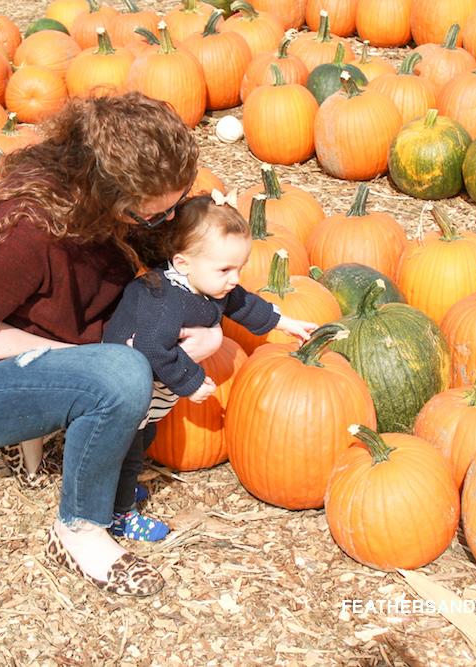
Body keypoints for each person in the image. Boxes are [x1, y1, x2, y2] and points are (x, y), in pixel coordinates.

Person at [0, 93, 210, 597]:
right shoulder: (23, 230)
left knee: (127, 361)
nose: (166, 223)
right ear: (101, 193)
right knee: (122, 373)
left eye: (176, 204)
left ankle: (56, 424)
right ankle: (80, 528)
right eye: (153, 216)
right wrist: (84, 363)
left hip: (18, 357)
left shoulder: (103, 208)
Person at [102, 191, 318, 541]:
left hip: (151, 387)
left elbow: (243, 303)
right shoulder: (164, 299)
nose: (234, 278)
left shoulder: (206, 283)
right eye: (226, 269)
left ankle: (116, 493)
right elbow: (150, 347)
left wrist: (284, 322)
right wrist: (191, 381)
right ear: (183, 263)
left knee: (145, 438)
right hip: (126, 386)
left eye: (239, 268)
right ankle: (119, 514)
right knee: (128, 448)